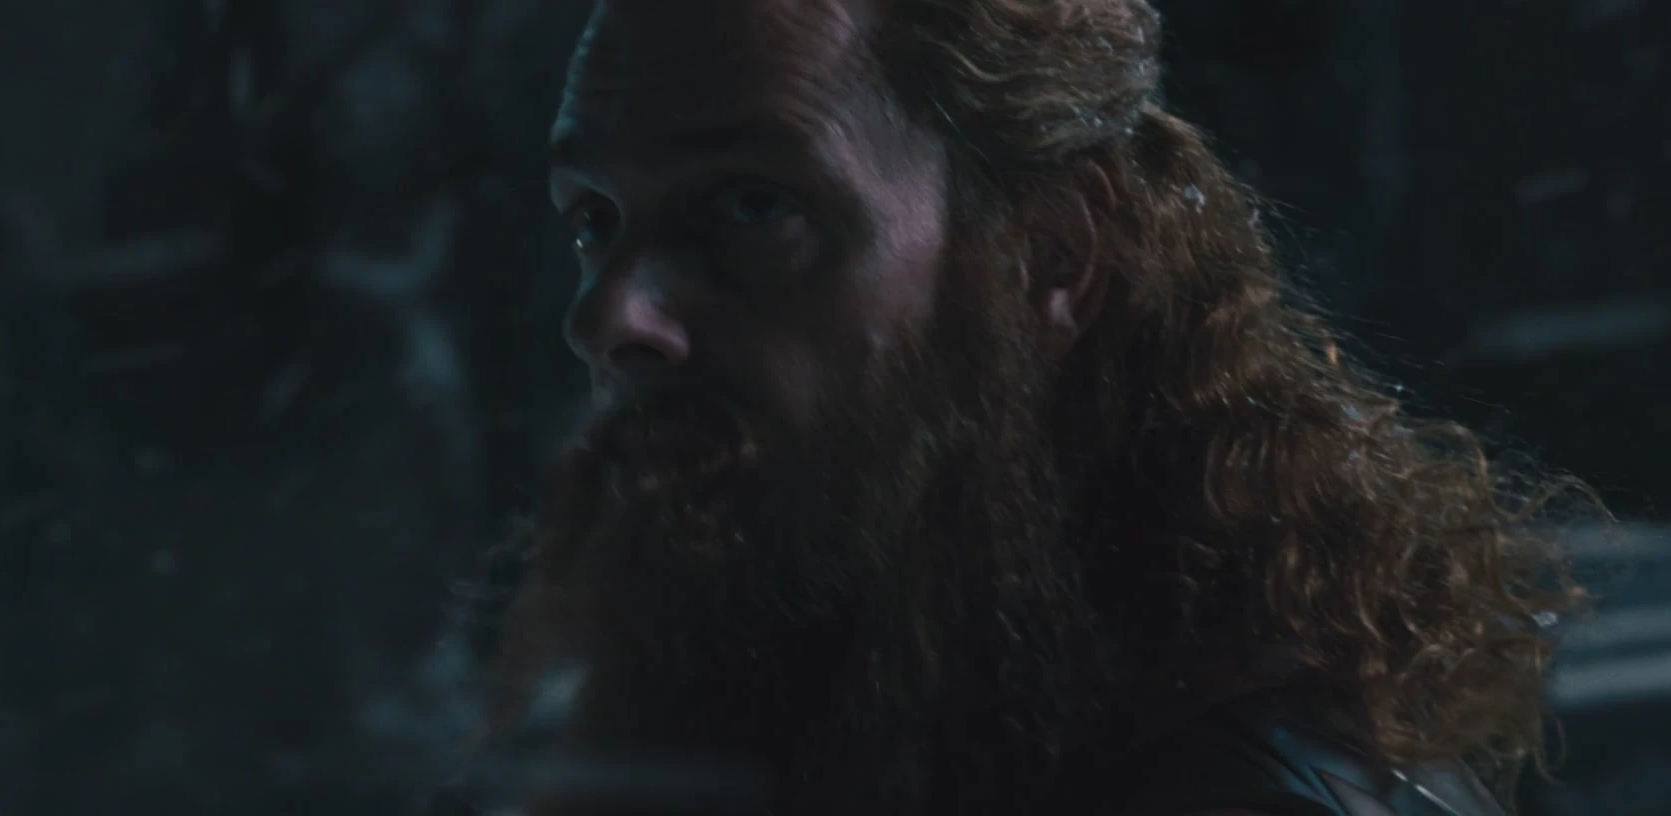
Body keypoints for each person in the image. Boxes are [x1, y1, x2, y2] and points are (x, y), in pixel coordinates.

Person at [466, 1, 1590, 813]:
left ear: (1048, 251)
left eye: (751, 206)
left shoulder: (1232, 787)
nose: (609, 316)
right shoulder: (857, 663)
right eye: (594, 220)